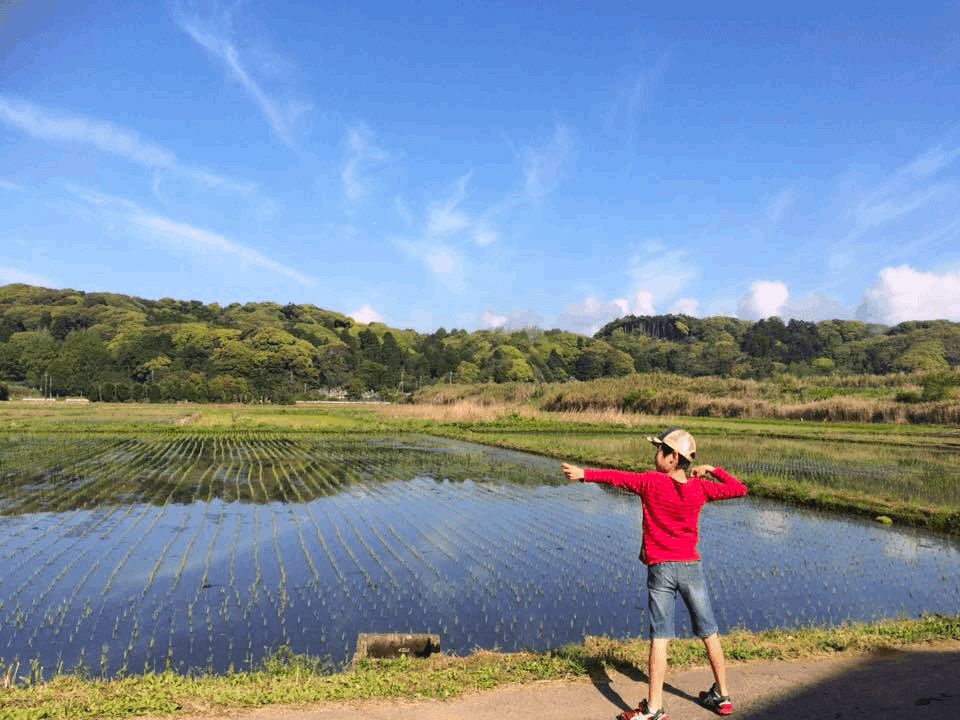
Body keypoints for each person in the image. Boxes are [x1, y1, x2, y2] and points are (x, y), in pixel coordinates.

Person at [562, 427, 747, 720]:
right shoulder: (700, 488)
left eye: (660, 450)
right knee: (709, 632)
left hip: (661, 570)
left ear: (673, 458)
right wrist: (712, 470)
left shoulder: (650, 483)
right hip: (692, 569)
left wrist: (584, 474)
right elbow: (740, 489)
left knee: (660, 637)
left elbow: (616, 477)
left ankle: (654, 708)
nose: (655, 454)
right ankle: (723, 697)